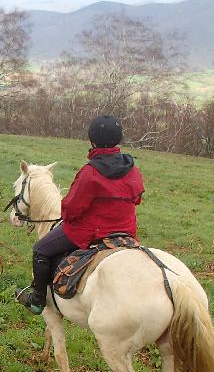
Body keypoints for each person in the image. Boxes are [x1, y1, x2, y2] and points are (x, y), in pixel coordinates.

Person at [16, 115, 145, 314]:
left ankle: (37, 300)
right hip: (126, 233)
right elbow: (137, 199)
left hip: (91, 232)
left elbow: (71, 209)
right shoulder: (132, 169)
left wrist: (68, 214)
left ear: (92, 140)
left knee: (41, 249)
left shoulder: (90, 172)